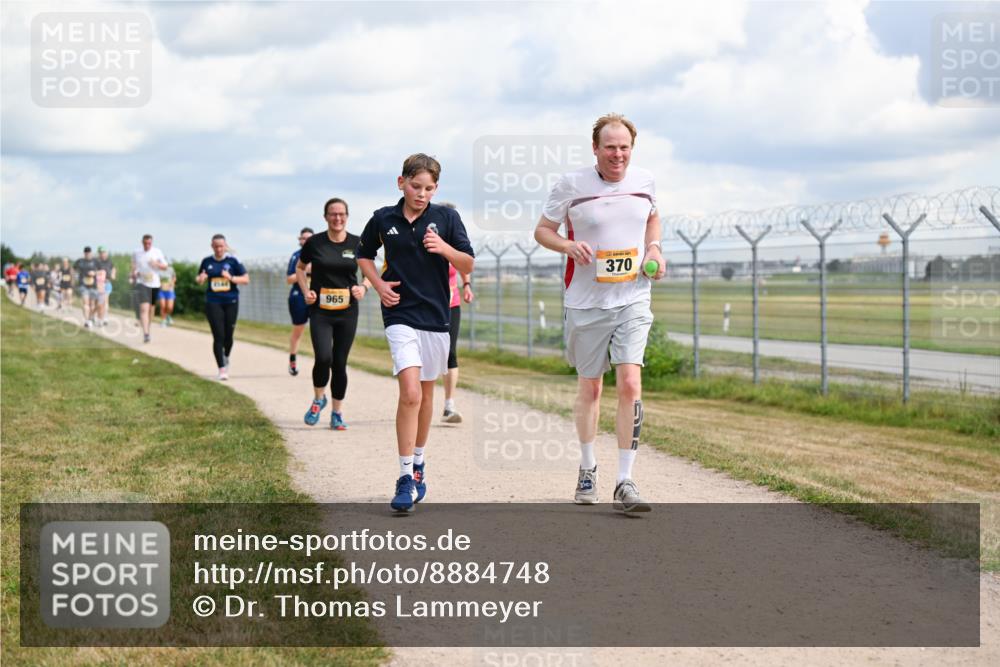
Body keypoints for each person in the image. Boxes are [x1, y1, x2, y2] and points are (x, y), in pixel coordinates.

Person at [534, 113, 665, 515]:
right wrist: (568, 247)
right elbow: (542, 230)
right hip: (586, 301)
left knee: (629, 382)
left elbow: (653, 219)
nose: (617, 154)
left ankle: (625, 480)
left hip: (632, 297)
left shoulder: (644, 182)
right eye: (610, 147)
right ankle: (588, 465)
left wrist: (654, 249)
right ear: (595, 148)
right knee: (591, 388)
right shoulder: (571, 185)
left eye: (624, 147)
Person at [357, 153, 475, 513]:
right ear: (401, 182)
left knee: (425, 397)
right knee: (409, 393)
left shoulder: (447, 218)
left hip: (437, 316)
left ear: (435, 189)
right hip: (399, 312)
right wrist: (377, 284)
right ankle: (405, 476)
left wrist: (445, 248)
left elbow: (468, 262)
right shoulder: (383, 218)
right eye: (415, 186)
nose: (421, 194)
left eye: (428, 188)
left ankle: (420, 463)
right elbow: (364, 255)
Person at [297, 205, 369, 429]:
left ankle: (337, 413)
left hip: (347, 312)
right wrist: (305, 290)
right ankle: (319, 399)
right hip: (320, 310)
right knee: (323, 357)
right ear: (326, 217)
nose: (337, 218)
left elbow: (370, 271)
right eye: (333, 214)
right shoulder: (315, 243)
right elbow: (300, 268)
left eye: (341, 214)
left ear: (347, 217)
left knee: (339, 363)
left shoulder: (358, 243)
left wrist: (364, 287)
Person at [195, 235, 249, 380]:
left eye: (221, 246)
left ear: (225, 246)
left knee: (228, 336)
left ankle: (226, 356)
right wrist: (201, 279)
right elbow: (199, 278)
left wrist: (231, 278)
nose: (219, 249)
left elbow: (245, 279)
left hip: (231, 301)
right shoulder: (207, 261)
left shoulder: (233, 261)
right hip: (213, 302)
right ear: (212, 246)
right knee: (218, 335)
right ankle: (222, 368)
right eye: (216, 246)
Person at [442, 249, 474, 423]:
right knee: (426, 355)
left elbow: (463, 262)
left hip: (451, 305)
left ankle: (449, 406)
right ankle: (418, 401)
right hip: (427, 307)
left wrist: (466, 284)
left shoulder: (452, 240)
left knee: (450, 352)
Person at [131, 234, 168, 343]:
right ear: (142, 242)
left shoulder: (157, 252)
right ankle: (146, 333)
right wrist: (134, 273)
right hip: (141, 283)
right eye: (145, 243)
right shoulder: (136, 252)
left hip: (155, 284)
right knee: (144, 308)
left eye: (149, 243)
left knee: (151, 309)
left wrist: (156, 264)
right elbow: (133, 265)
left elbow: (165, 267)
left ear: (152, 243)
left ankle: (148, 327)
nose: (147, 245)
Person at [286, 227, 313, 376]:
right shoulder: (296, 256)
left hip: (317, 297)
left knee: (320, 331)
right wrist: (303, 271)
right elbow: (289, 279)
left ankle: (322, 361)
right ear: (300, 240)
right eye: (304, 238)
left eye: (310, 238)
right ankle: (292, 359)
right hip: (299, 297)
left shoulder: (320, 254)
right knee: (298, 330)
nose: (306, 241)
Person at [95, 246, 116, 326]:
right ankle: (98, 316)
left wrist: (113, 274)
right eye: (101, 253)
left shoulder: (109, 261)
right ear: (99, 253)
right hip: (99, 284)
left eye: (104, 252)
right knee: (99, 302)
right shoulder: (96, 262)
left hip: (107, 283)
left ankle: (104, 317)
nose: (103, 254)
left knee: (105, 301)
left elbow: (113, 268)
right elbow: (94, 271)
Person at [158, 261, 176, 326]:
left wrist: (172, 283)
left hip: (170, 290)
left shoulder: (171, 269)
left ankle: (168, 316)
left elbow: (174, 277)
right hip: (161, 290)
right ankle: (163, 320)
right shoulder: (158, 270)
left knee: (170, 307)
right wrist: (159, 284)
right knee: (163, 306)